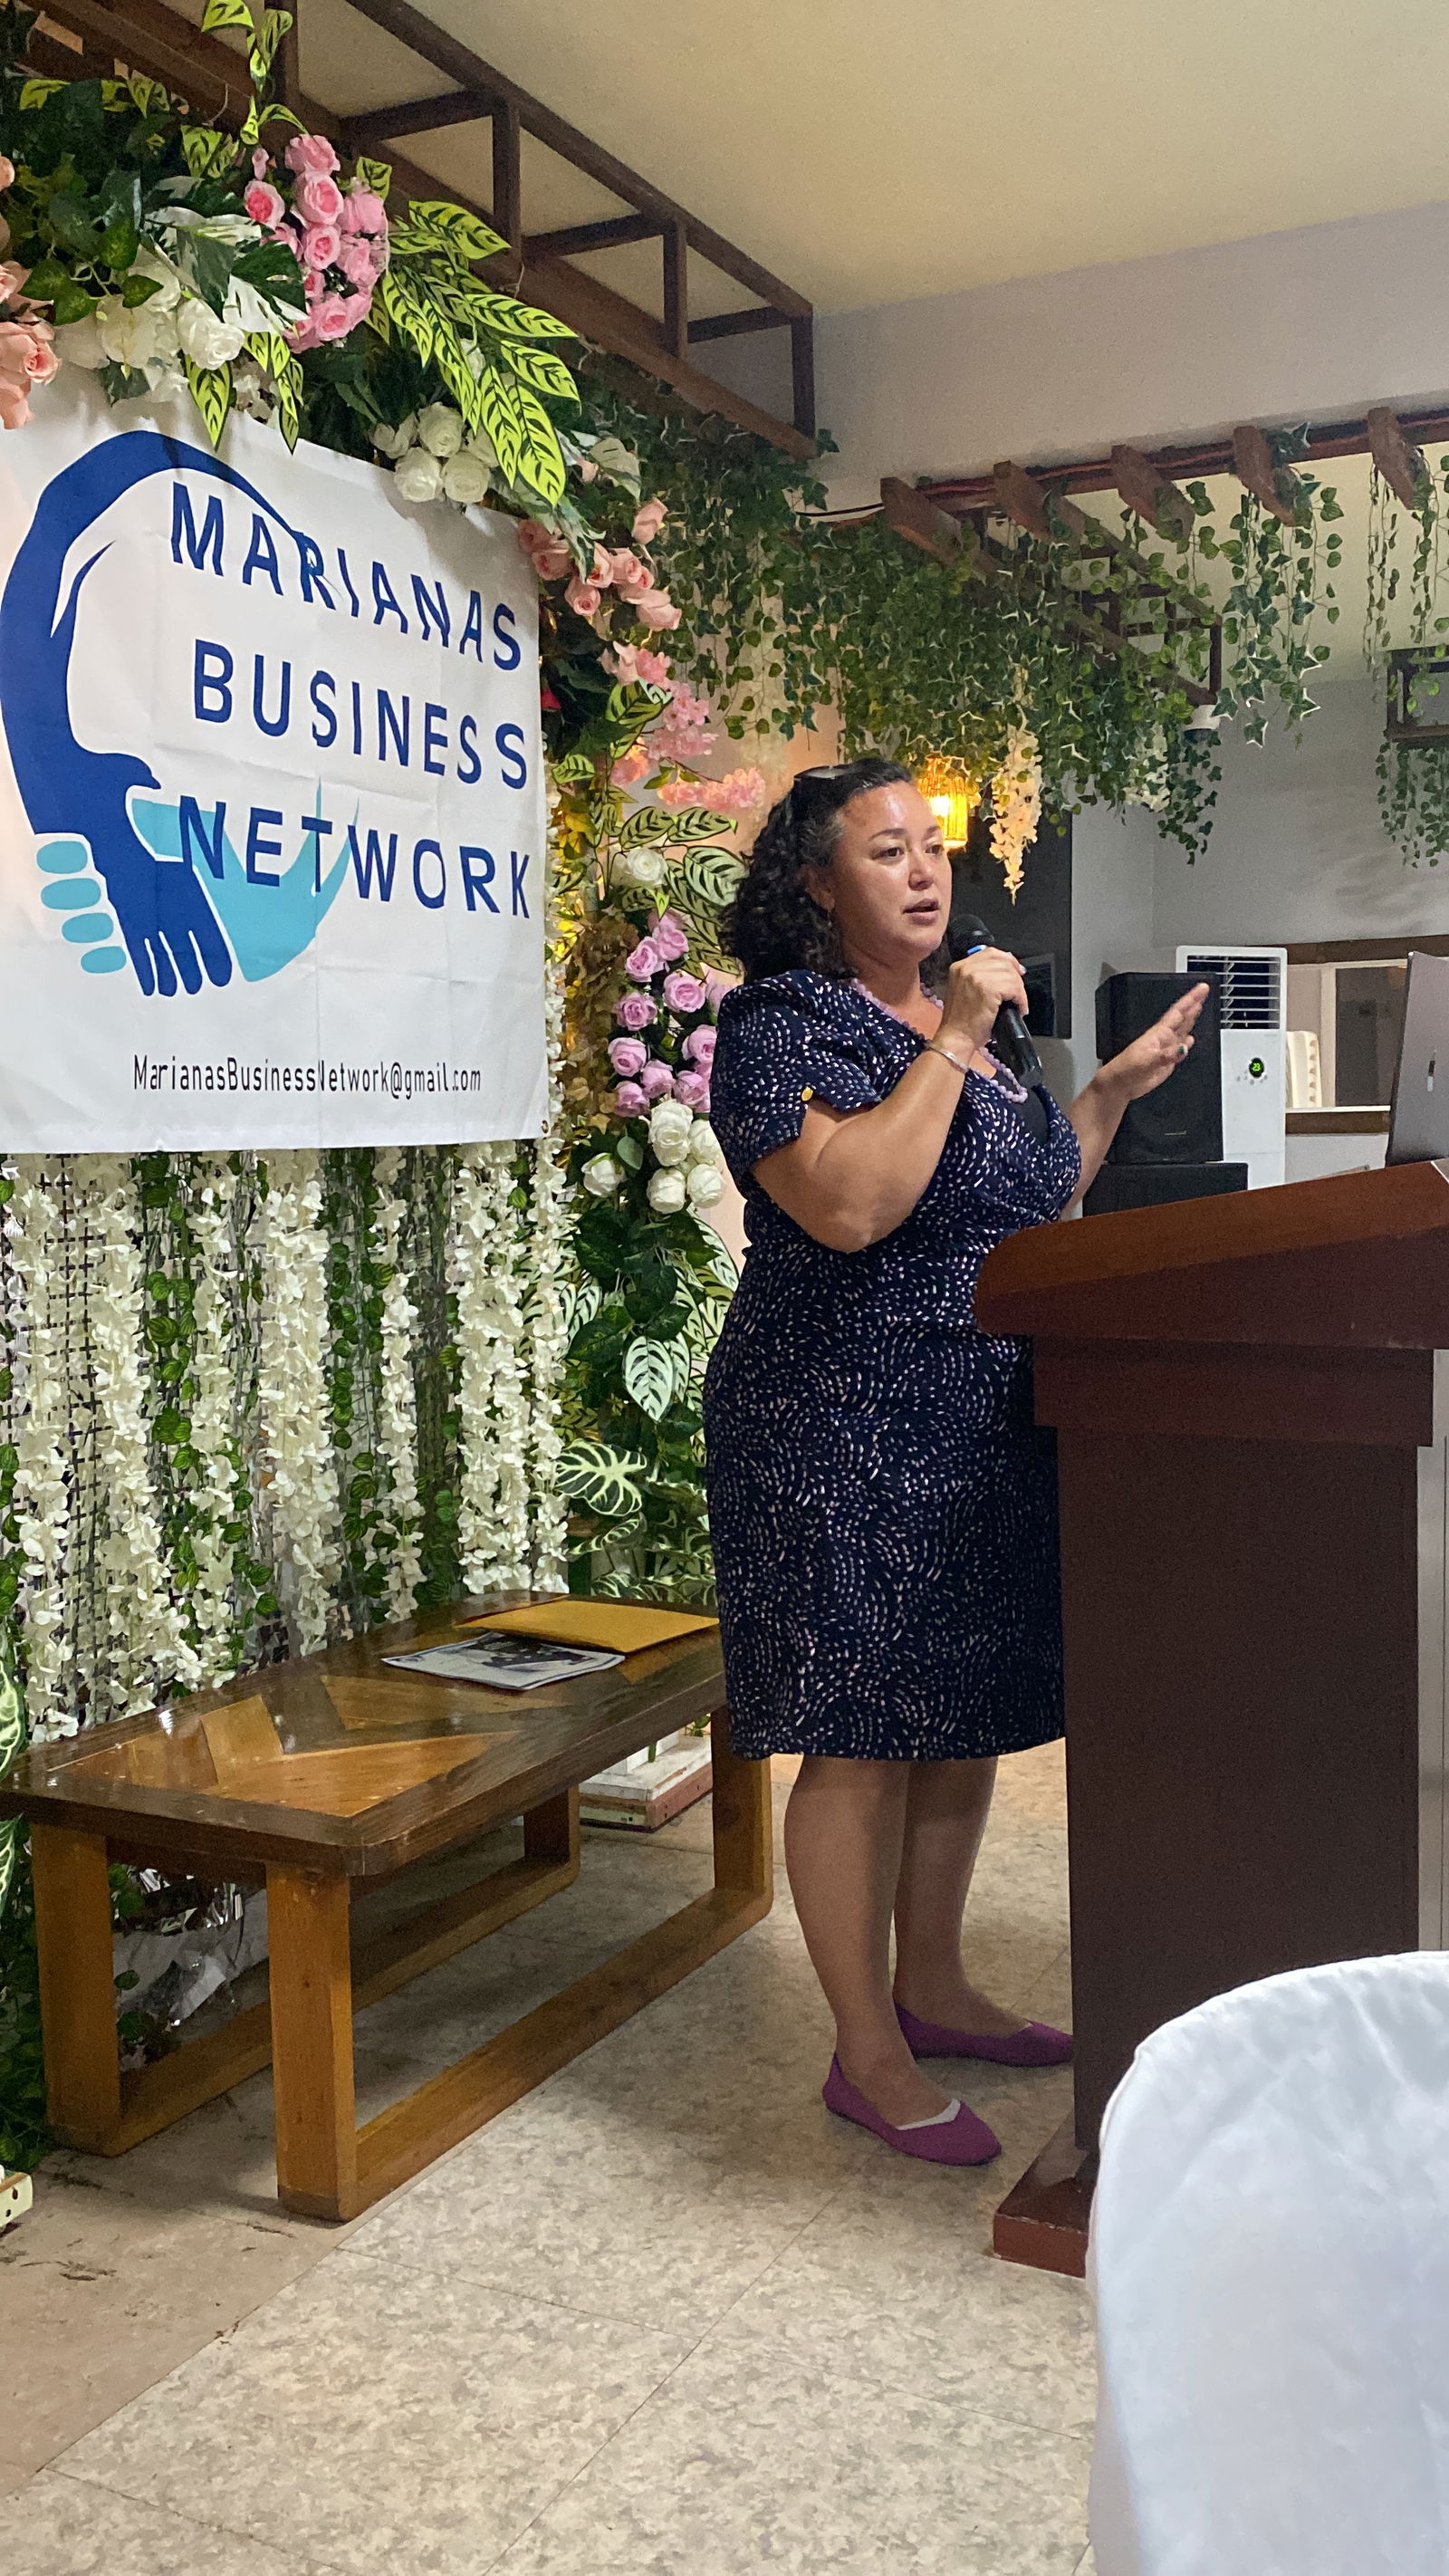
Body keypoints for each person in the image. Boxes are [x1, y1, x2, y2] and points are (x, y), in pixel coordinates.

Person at [704, 757, 1207, 2165]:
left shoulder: (968, 1030)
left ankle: (933, 1984)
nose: (927, 871)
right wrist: (956, 1034)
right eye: (886, 851)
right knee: (862, 1733)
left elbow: (1030, 1201)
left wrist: (1101, 1095)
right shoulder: (780, 1024)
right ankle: (864, 2051)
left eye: (934, 846)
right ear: (815, 883)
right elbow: (856, 1205)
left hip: (980, 1419)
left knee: (961, 1711)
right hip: (832, 1421)